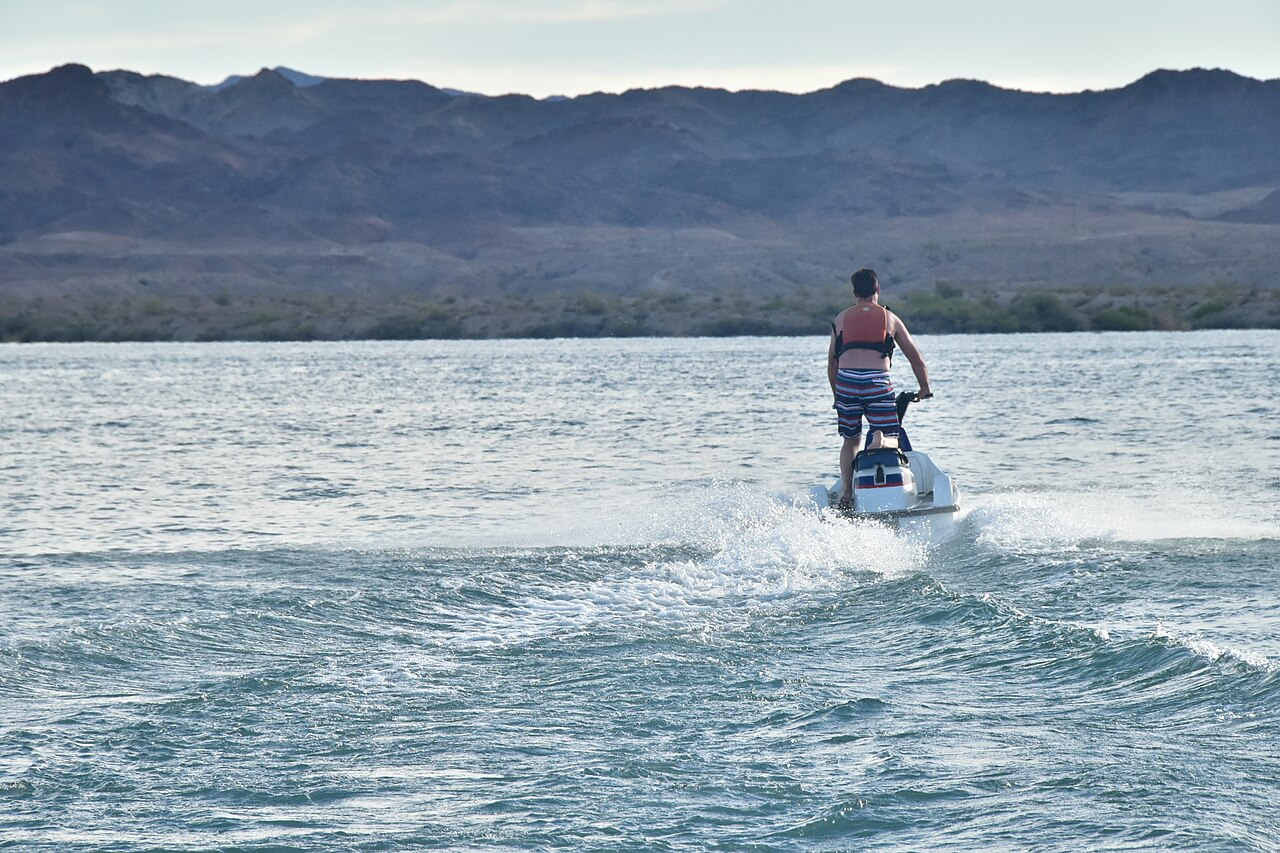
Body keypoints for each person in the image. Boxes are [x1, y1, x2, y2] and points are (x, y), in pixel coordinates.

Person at [827, 268, 932, 508]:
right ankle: (879, 441)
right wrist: (924, 388)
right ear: (878, 289)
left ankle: (846, 492)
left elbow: (832, 363)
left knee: (851, 440)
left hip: (846, 383)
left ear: (854, 292)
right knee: (890, 436)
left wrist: (837, 395)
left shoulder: (841, 319)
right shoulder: (890, 318)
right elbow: (916, 359)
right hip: (877, 381)